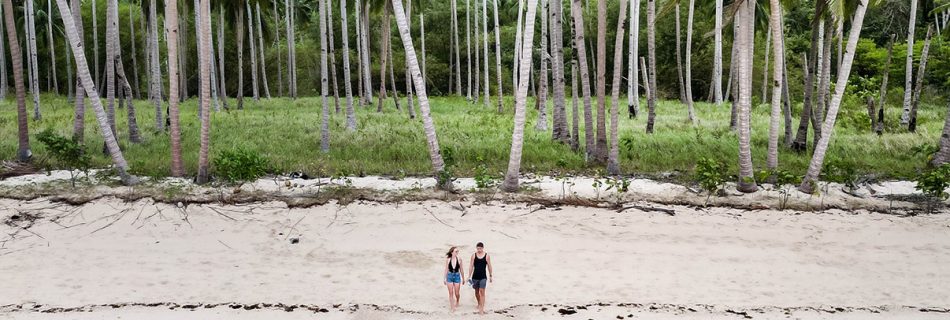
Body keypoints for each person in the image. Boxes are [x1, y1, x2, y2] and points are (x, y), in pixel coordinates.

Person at [468, 242, 493, 315]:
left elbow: (489, 266)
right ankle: (479, 303)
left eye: (480, 248)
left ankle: (481, 309)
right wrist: (469, 276)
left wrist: (491, 275)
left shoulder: (487, 256)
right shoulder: (473, 255)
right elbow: (471, 266)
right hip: (475, 276)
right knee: (476, 292)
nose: (478, 250)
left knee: (482, 292)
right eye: (477, 248)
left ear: (483, 248)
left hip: (483, 277)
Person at [443, 246, 464, 312]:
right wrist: (444, 278)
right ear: (452, 252)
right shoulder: (448, 259)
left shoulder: (459, 259)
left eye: (457, 251)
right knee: (451, 293)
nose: (457, 252)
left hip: (457, 276)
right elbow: (446, 269)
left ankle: (457, 300)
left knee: (457, 293)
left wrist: (463, 278)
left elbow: (461, 270)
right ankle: (452, 307)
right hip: (449, 276)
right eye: (456, 251)